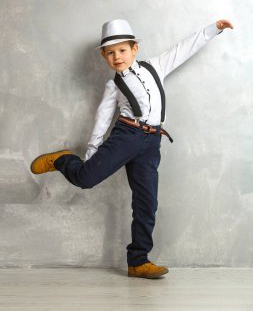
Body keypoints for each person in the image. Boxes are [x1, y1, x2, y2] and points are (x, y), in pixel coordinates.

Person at [30, 18, 234, 279]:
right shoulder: (113, 86)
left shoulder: (156, 66)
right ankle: (61, 160)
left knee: (147, 202)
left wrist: (213, 29)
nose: (117, 57)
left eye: (122, 50)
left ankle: (138, 261)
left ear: (134, 49)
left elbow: (185, 48)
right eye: (110, 53)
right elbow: (102, 119)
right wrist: (91, 154)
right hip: (127, 135)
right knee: (85, 178)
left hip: (152, 141)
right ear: (104, 56)